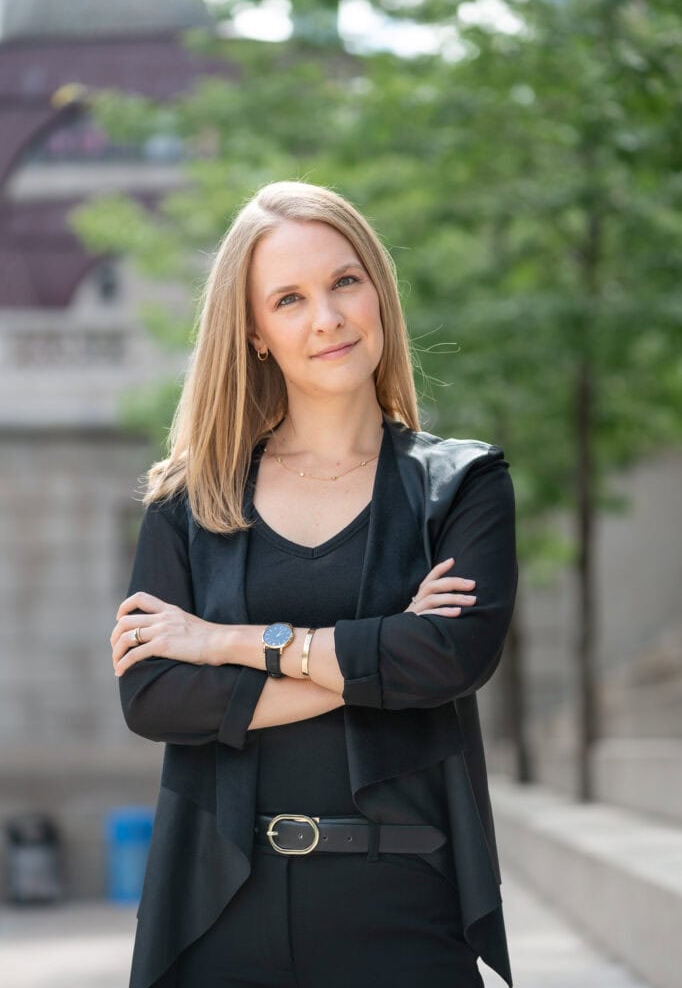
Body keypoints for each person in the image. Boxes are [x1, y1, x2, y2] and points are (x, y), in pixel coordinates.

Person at [110, 180, 518, 988]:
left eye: (344, 282)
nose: (326, 318)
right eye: (289, 299)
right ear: (256, 332)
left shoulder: (461, 483)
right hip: (216, 910)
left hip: (403, 903)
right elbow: (154, 697)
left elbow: (449, 659)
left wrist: (227, 644)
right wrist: (374, 658)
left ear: (378, 290)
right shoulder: (192, 500)